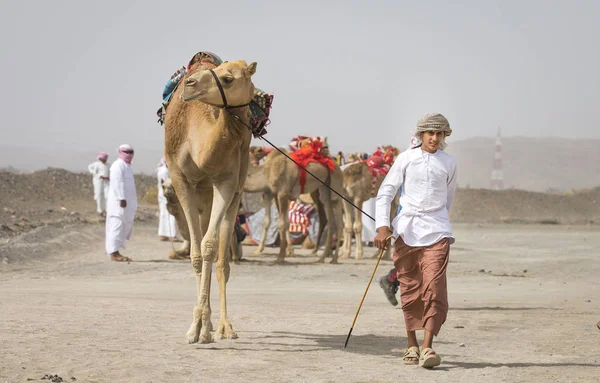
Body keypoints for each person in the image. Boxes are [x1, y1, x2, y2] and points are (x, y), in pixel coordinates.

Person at [374, 113, 457, 369]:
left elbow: (448, 198)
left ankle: (427, 346)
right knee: (410, 288)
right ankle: (411, 343)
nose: (434, 138)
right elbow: (386, 192)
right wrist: (382, 227)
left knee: (434, 287)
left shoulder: (449, 162)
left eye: (439, 134)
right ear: (420, 135)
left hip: (438, 230)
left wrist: (439, 220)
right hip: (406, 231)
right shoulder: (406, 158)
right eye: (430, 133)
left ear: (444, 137)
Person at [105, 144, 138, 262]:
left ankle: (116, 250)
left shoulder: (127, 166)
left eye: (130, 152)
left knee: (122, 226)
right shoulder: (117, 165)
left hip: (126, 203)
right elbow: (116, 183)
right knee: (116, 225)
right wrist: (121, 198)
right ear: (119, 152)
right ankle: (113, 253)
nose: (128, 154)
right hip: (118, 203)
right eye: (126, 152)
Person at [156, 157, 178, 242]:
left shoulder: (165, 170)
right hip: (166, 195)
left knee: (164, 214)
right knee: (170, 214)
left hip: (164, 195)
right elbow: (167, 184)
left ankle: (163, 234)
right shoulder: (164, 171)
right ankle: (172, 235)